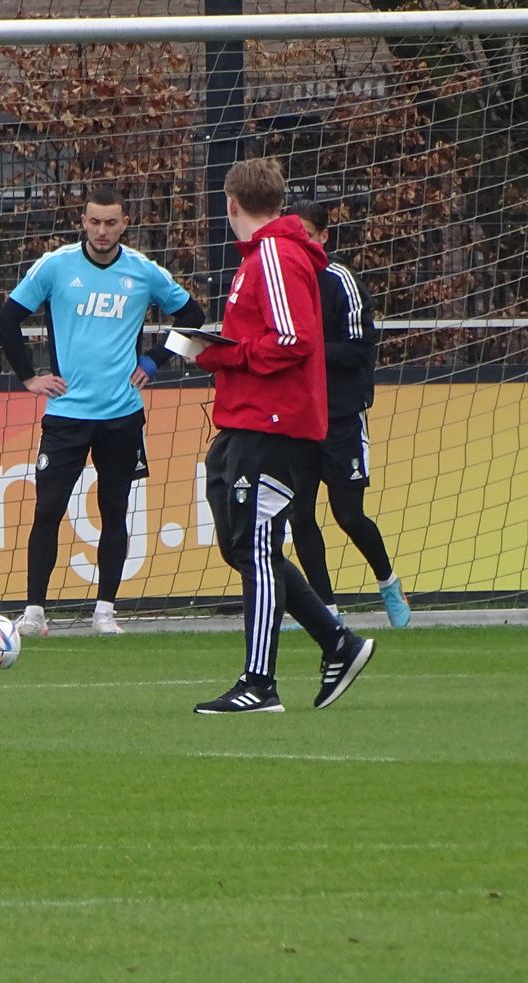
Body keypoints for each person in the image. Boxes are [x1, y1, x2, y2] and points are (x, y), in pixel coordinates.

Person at [181, 159, 374, 713]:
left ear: (230, 204)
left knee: (257, 548)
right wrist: (218, 349)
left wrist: (224, 353)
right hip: (246, 420)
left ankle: (259, 684)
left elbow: (293, 340)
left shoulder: (274, 254)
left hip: (273, 423)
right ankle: (338, 641)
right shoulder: (265, 258)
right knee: (242, 544)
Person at [0, 185, 205, 638]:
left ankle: (105, 610)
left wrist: (154, 360)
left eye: (111, 222)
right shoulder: (56, 266)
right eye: (94, 221)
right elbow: (7, 318)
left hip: (121, 415)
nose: (102, 230)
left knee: (114, 509)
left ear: (124, 224)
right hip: (67, 414)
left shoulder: (143, 272)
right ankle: (34, 612)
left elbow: (193, 315)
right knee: (48, 508)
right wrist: (29, 376)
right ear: (83, 221)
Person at [285, 201, 410, 627]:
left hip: (340, 418)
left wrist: (309, 353)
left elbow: (359, 347)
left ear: (323, 236)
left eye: (306, 233)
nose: (299, 241)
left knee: (348, 515)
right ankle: (327, 609)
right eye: (292, 233)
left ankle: (389, 582)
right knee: (299, 514)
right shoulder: (281, 279)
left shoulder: (340, 280)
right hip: (296, 419)